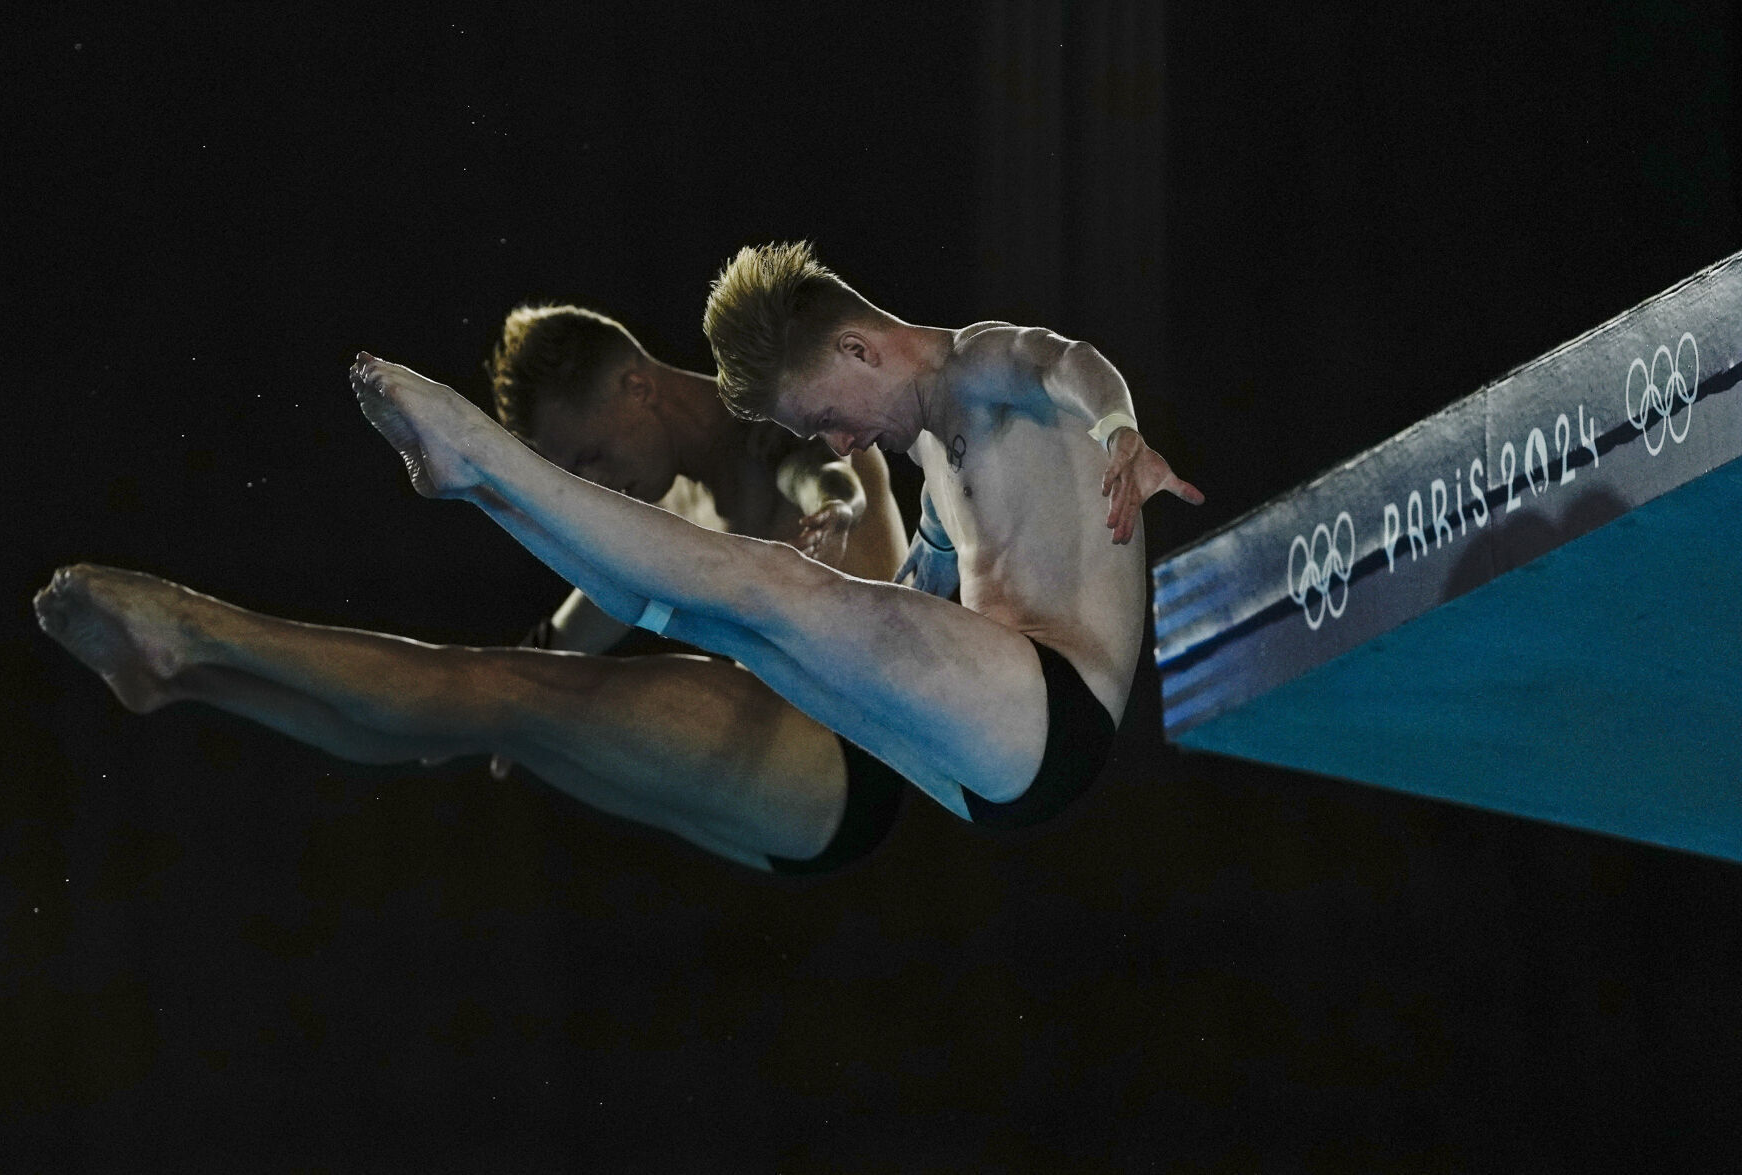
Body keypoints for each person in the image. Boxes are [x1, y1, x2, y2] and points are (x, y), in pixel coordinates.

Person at [34, 302, 936, 873]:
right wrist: (437, 701)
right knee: (479, 705)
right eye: (574, 473)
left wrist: (842, 502)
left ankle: (198, 626)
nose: (599, 483)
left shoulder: (762, 424)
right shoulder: (672, 501)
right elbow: (562, 636)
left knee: (499, 692)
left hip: (851, 751)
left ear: (637, 385)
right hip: (794, 796)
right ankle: (184, 679)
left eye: (591, 454)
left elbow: (814, 470)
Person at [341, 240, 1203, 833]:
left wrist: (1118, 429)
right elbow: (918, 589)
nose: (841, 444)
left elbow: (1062, 359)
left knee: (772, 585)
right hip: (986, 765)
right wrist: (841, 634)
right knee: (730, 627)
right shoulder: (932, 458)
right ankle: (484, 491)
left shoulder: (976, 364)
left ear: (859, 350)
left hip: (1055, 704)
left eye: (825, 418)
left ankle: (482, 452)